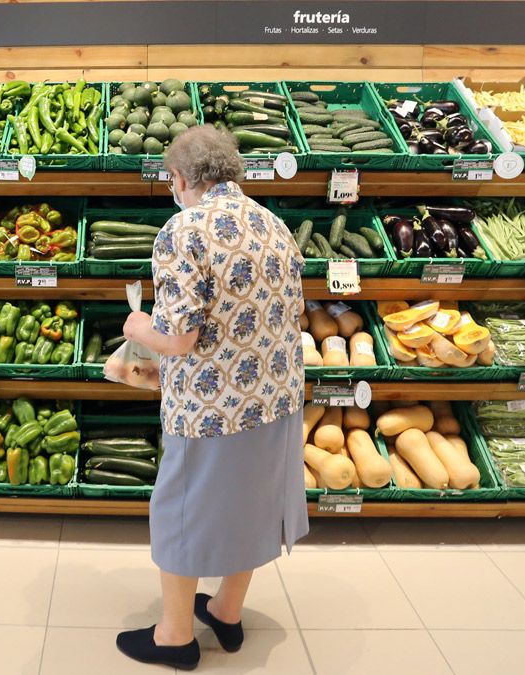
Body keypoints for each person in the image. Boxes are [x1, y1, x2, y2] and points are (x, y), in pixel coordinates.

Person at [115, 125, 309, 670]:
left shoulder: (183, 229)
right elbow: (294, 313)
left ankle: (174, 637)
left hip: (211, 405)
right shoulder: (274, 224)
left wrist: (138, 325)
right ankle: (225, 610)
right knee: (250, 504)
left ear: (179, 179)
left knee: (181, 510)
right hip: (274, 396)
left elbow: (178, 338)